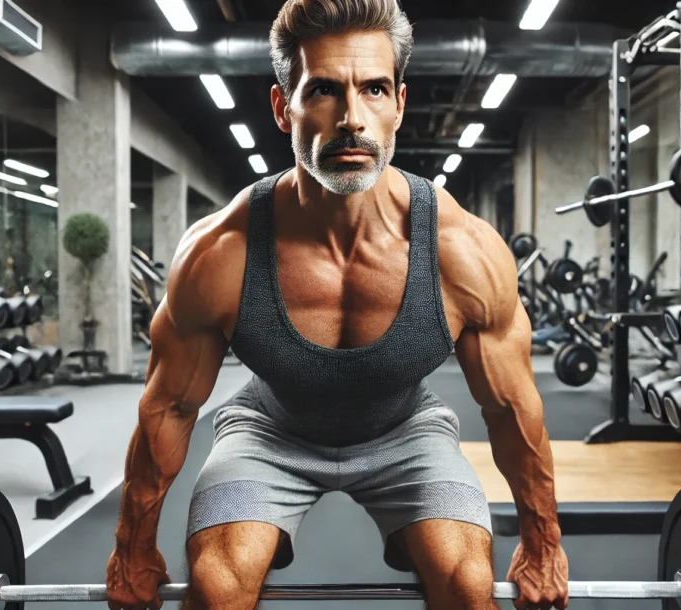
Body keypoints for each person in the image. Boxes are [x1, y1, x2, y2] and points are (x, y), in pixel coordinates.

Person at [106, 1, 569, 608]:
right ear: (283, 107)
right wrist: (134, 547)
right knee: (216, 588)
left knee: (468, 583)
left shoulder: (460, 251)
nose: (352, 118)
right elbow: (169, 407)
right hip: (270, 431)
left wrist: (542, 541)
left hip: (406, 431)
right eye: (322, 89)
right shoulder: (222, 252)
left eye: (374, 89)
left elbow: (512, 409)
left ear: (399, 104)